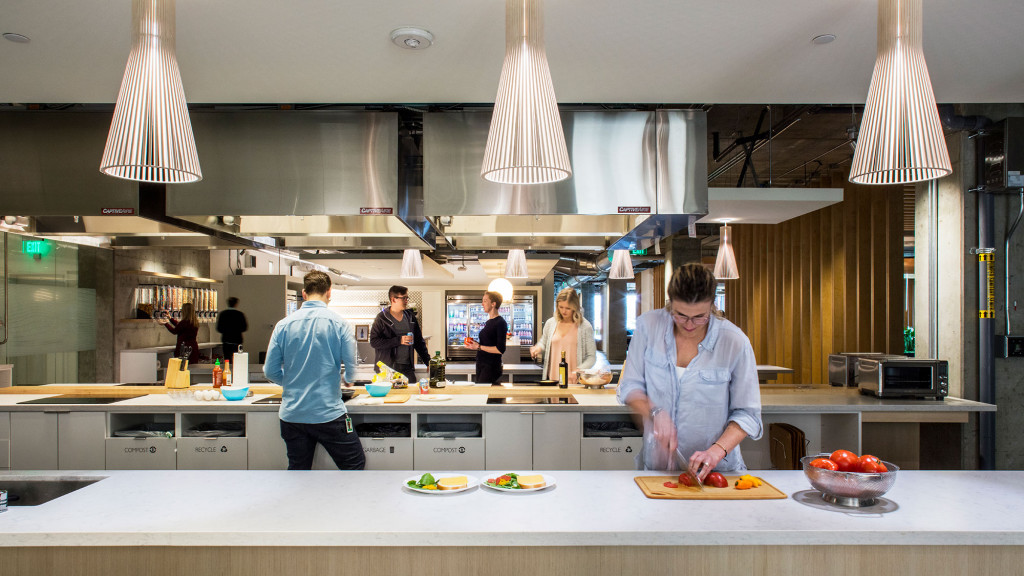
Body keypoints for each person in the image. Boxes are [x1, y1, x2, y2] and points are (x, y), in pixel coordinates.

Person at [617, 263, 762, 480]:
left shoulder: (734, 341)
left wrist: (716, 451)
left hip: (716, 473)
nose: (690, 325)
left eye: (700, 316)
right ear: (669, 304)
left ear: (713, 305)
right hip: (657, 469)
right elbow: (630, 386)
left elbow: (748, 415)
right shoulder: (648, 326)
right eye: (681, 315)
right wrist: (654, 411)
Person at [263, 271, 364, 471]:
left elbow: (270, 371)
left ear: (304, 293)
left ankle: (301, 503)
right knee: (354, 465)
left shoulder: (283, 325)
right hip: (328, 414)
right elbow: (352, 366)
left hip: (292, 416)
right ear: (329, 292)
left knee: (298, 470)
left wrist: (292, 382)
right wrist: (348, 378)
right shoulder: (339, 323)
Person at [530, 287, 597, 385]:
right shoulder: (551, 323)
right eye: (561, 307)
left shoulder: (585, 326)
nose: (564, 311)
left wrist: (579, 370)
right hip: (552, 380)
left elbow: (591, 357)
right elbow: (544, 342)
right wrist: (538, 347)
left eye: (568, 308)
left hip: (574, 381)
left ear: (575, 307)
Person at [369, 285, 431, 379]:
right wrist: (399, 340)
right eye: (404, 298)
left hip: (407, 368)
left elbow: (419, 341)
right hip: (387, 369)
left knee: (411, 393)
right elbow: (374, 342)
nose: (407, 301)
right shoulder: (381, 318)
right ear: (393, 299)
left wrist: (428, 361)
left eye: (407, 298)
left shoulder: (410, 317)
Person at [465, 291, 508, 385]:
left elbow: (500, 349)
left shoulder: (500, 322)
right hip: (482, 364)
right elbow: (488, 342)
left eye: (485, 301)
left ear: (493, 304)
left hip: (491, 366)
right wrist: (474, 344)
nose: (482, 304)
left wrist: (479, 347)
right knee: (481, 396)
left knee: (485, 396)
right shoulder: (489, 322)